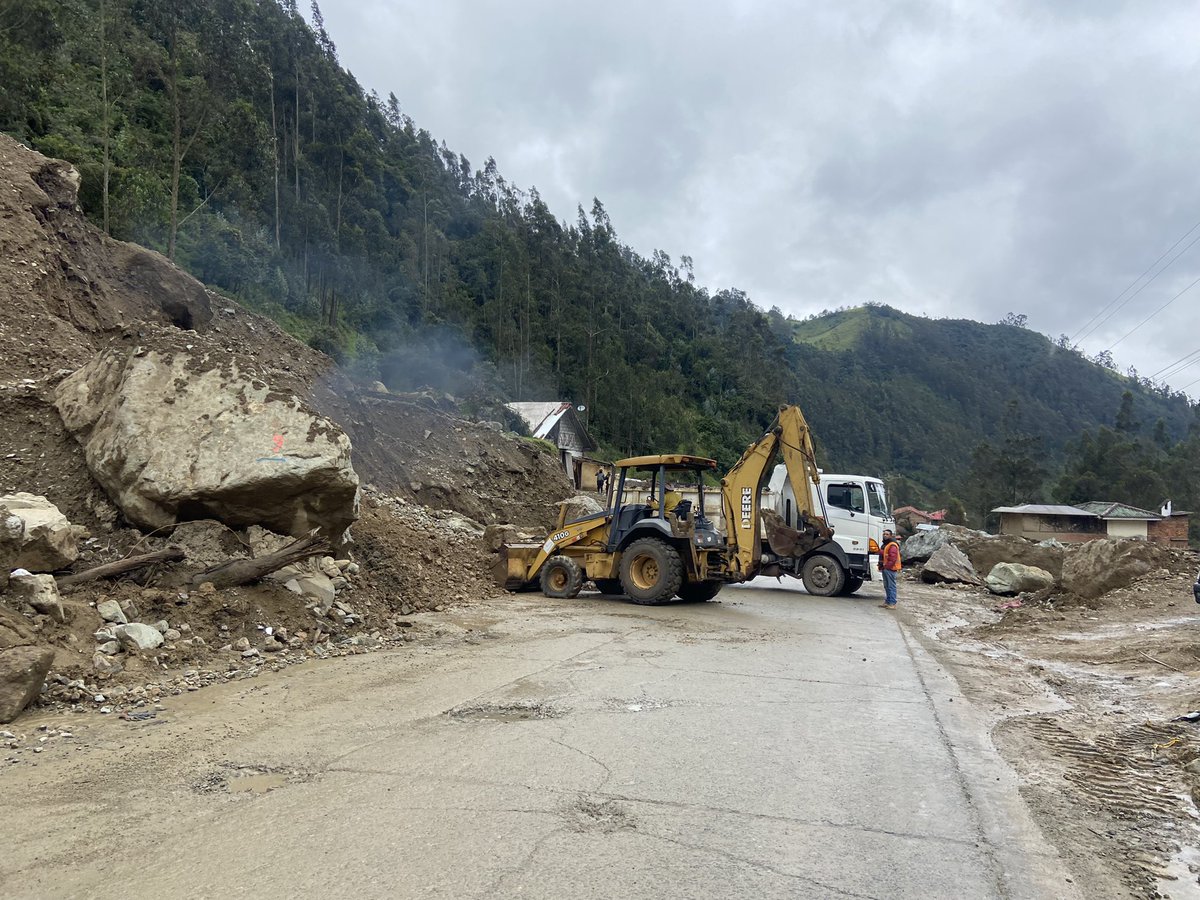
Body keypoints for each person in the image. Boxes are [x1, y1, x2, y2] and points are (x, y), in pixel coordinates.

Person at [878, 529, 901, 609]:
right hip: (886, 568)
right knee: (887, 586)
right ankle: (888, 602)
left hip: (890, 568)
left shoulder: (892, 545)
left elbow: (893, 558)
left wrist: (887, 567)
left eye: (887, 534)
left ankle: (892, 603)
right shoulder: (885, 544)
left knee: (891, 586)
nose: (885, 535)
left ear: (891, 536)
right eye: (884, 534)